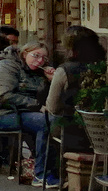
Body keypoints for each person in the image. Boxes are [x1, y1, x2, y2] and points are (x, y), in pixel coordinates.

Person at [0, 41, 54, 186]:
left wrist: (50, 81)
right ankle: (41, 174)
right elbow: (5, 95)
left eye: (43, 58)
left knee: (51, 121)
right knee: (44, 123)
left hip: (22, 112)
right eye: (36, 55)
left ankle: (47, 168)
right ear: (25, 53)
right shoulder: (6, 66)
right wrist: (37, 106)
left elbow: (43, 97)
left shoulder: (37, 71)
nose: (39, 60)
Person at [46, 25, 107, 158]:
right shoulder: (104, 67)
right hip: (103, 133)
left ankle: (47, 172)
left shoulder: (64, 70)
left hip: (73, 133)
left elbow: (53, 107)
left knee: (42, 126)